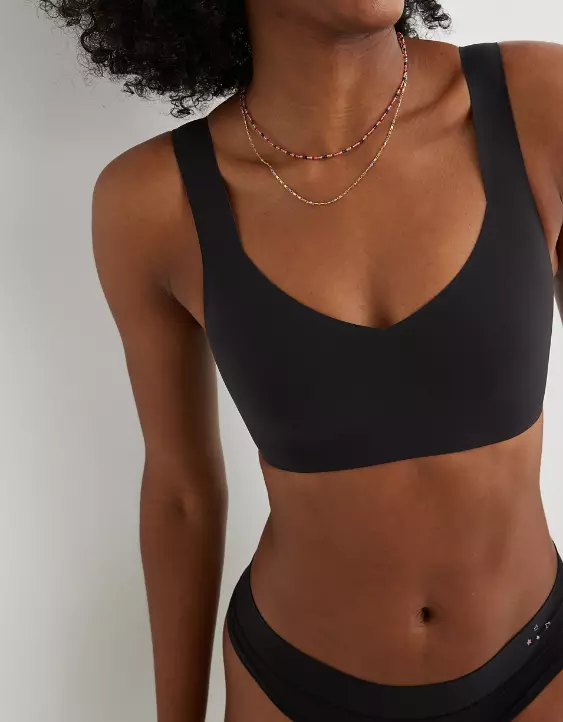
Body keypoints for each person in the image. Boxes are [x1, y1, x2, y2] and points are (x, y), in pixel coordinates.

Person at [41, 0, 563, 719]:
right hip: (293, 687)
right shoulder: (153, 201)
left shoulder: (535, 101)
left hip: (537, 666)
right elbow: (181, 494)